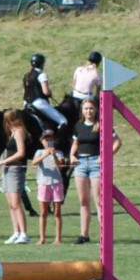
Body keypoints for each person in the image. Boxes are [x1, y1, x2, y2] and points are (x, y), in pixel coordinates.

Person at [69, 97, 122, 244]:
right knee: (83, 201)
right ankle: (84, 235)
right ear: (82, 110)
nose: (88, 111)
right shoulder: (78, 126)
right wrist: (71, 155)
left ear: (96, 109)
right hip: (80, 164)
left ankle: (105, 237)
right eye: (86, 108)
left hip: (95, 164)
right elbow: (75, 143)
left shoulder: (102, 125)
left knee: (99, 200)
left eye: (91, 108)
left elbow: (117, 142)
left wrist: (105, 156)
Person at [0, 108, 31, 244]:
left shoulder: (19, 132)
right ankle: (16, 232)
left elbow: (21, 153)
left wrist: (4, 161)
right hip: (8, 169)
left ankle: (24, 233)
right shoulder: (12, 133)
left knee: (16, 202)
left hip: (16, 169)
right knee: (11, 204)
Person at [31, 129, 66, 245]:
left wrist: (54, 155)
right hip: (43, 183)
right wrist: (45, 154)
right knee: (43, 212)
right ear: (42, 141)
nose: (48, 142)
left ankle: (58, 238)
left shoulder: (59, 152)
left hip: (56, 183)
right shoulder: (39, 152)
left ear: (54, 140)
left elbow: (60, 166)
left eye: (50, 139)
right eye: (46, 139)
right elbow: (34, 163)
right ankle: (42, 238)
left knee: (57, 212)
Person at [22, 53, 67, 130]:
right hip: (39, 103)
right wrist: (50, 93)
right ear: (42, 64)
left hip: (26, 103)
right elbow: (46, 92)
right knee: (63, 121)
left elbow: (24, 92)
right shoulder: (42, 75)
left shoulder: (26, 75)